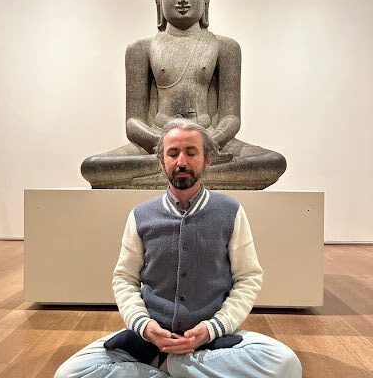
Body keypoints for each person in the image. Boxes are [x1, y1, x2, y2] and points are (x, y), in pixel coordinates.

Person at [55, 119, 302, 378]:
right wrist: (145, 326)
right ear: (162, 162)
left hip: (211, 338)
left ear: (207, 160)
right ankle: (185, 369)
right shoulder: (141, 215)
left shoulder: (230, 212)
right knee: (69, 373)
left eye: (191, 152)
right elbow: (125, 278)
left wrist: (213, 328)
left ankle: (171, 367)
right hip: (150, 340)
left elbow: (248, 277)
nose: (181, 161)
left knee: (285, 363)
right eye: (173, 153)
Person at [81, 0, 287, 190]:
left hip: (212, 140)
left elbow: (231, 117)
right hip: (156, 142)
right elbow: (133, 123)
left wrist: (209, 142)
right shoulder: (141, 48)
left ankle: (169, 172)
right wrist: (164, 143)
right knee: (93, 167)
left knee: (272, 162)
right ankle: (193, 170)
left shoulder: (225, 47)